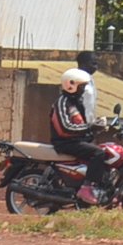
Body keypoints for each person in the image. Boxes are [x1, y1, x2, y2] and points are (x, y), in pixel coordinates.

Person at [48, 65, 118, 203]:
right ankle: (86, 188)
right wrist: (89, 128)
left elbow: (82, 124)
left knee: (105, 151)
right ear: (71, 85)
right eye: (81, 87)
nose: (83, 90)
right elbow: (65, 127)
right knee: (98, 153)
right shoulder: (62, 103)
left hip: (76, 140)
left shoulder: (75, 102)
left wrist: (96, 126)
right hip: (65, 142)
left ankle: (105, 190)